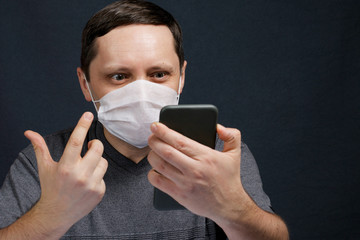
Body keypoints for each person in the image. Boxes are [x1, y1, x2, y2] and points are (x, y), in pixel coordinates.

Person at [0, 0, 289, 239]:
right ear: (85, 83)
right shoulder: (47, 164)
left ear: (182, 77)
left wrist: (231, 208)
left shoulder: (219, 157)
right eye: (119, 76)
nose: (140, 93)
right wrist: (52, 215)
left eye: (159, 74)